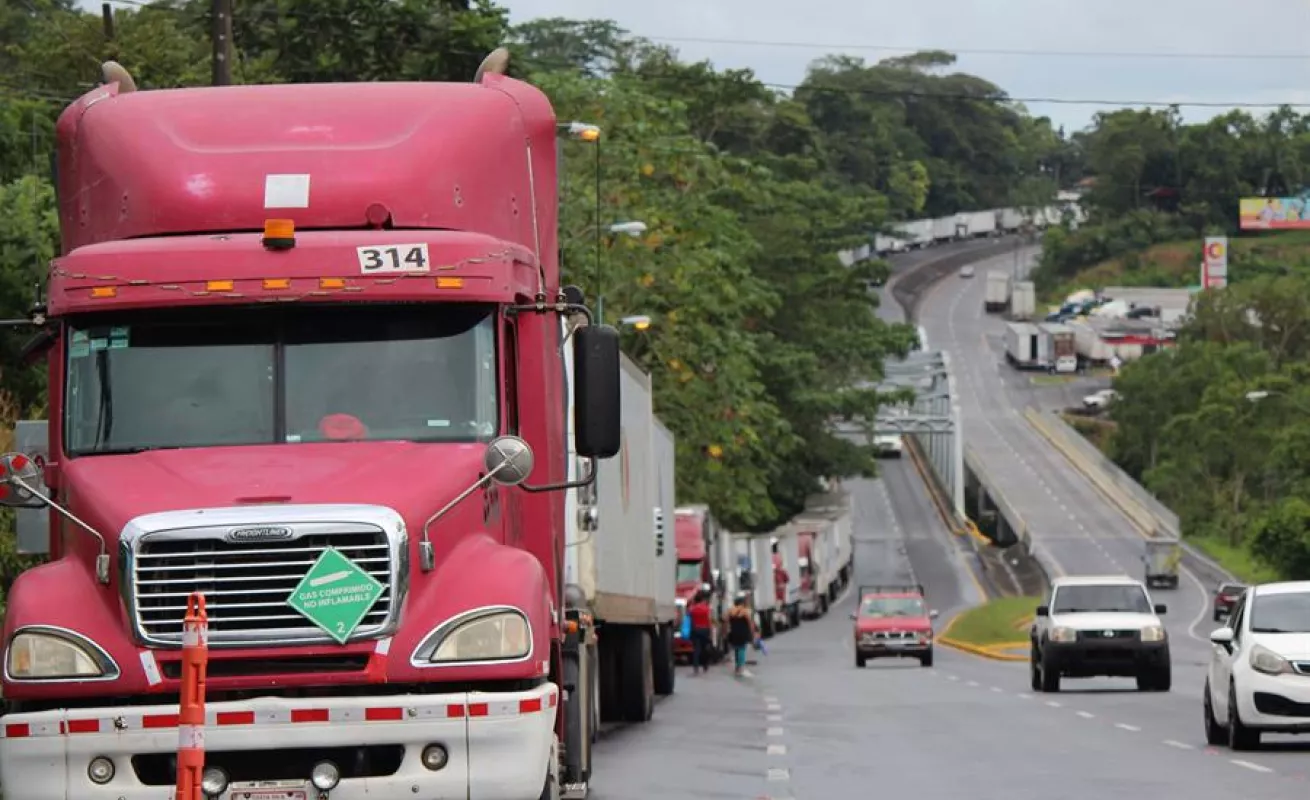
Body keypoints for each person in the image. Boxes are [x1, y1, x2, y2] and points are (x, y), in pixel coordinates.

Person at [726, 593, 758, 677]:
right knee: (742, 649)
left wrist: (726, 632)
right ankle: (741, 667)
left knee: (736, 649)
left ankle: (737, 667)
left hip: (733, 632)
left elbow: (726, 622)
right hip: (743, 632)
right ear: (742, 603)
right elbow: (750, 623)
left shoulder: (730, 611)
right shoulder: (744, 611)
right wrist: (752, 633)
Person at [687, 590, 713, 674]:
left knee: (696, 649)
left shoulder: (692, 609)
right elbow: (709, 620)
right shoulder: (706, 608)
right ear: (702, 600)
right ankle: (705, 665)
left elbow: (688, 616)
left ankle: (696, 667)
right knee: (705, 648)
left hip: (695, 630)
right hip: (705, 630)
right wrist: (711, 631)